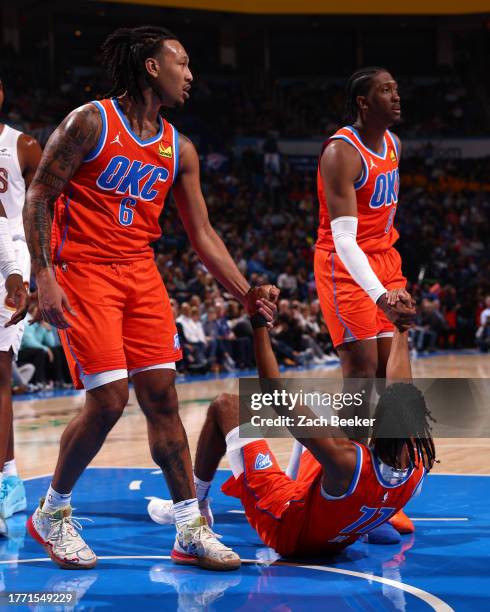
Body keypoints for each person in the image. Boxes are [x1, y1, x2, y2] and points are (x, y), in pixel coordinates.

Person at [23, 26, 276, 570]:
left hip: (141, 273)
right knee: (110, 400)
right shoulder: (91, 121)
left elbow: (202, 233)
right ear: (152, 68)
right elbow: (41, 192)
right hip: (84, 271)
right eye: (182, 63)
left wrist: (245, 293)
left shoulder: (178, 147)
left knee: (162, 399)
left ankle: (189, 527)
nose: (191, 74)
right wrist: (43, 272)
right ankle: (53, 512)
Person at [148, 289, 435, 558]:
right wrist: (400, 329)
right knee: (319, 407)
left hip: (286, 530)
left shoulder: (347, 460)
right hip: (337, 539)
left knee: (226, 405)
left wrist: (259, 325)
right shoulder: (418, 466)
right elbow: (401, 389)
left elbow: (276, 394)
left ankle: (196, 505)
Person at [313, 67, 417, 541]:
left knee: (391, 378)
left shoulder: (393, 144)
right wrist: (381, 295)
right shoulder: (341, 153)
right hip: (344, 263)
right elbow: (345, 240)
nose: (396, 96)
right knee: (359, 377)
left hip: (384, 257)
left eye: (396, 88)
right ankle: (354, 491)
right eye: (385, 90)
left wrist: (393, 281)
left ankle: (383, 489)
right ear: (362, 101)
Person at [0, 76, 42, 533]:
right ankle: (9, 479)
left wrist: (32, 274)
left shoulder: (24, 146)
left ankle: (4, 480)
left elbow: (33, 217)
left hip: (7, 261)